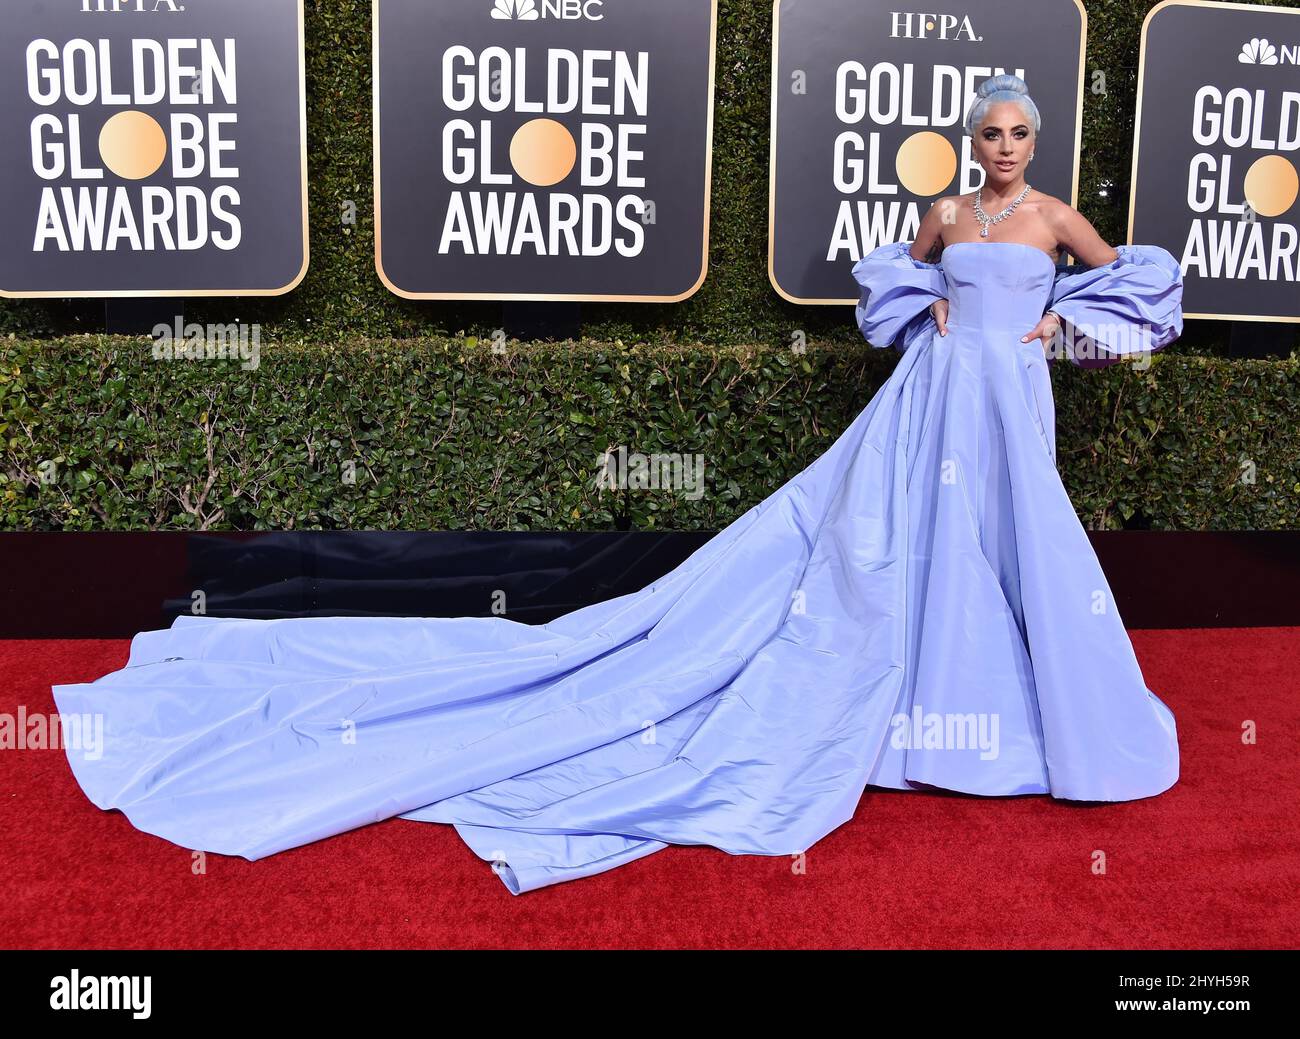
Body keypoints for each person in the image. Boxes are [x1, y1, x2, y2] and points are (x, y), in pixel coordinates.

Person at [51, 75, 1182, 896]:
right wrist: (933, 303)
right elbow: (896, 278)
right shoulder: (946, 213)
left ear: (1037, 139)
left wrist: (1056, 317)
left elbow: (1133, 279)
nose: (1002, 146)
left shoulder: (1050, 216)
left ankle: (1005, 712)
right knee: (909, 544)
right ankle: (914, 715)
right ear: (966, 137)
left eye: (1018, 132)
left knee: (1014, 540)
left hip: (1011, 393)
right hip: (935, 392)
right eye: (988, 131)